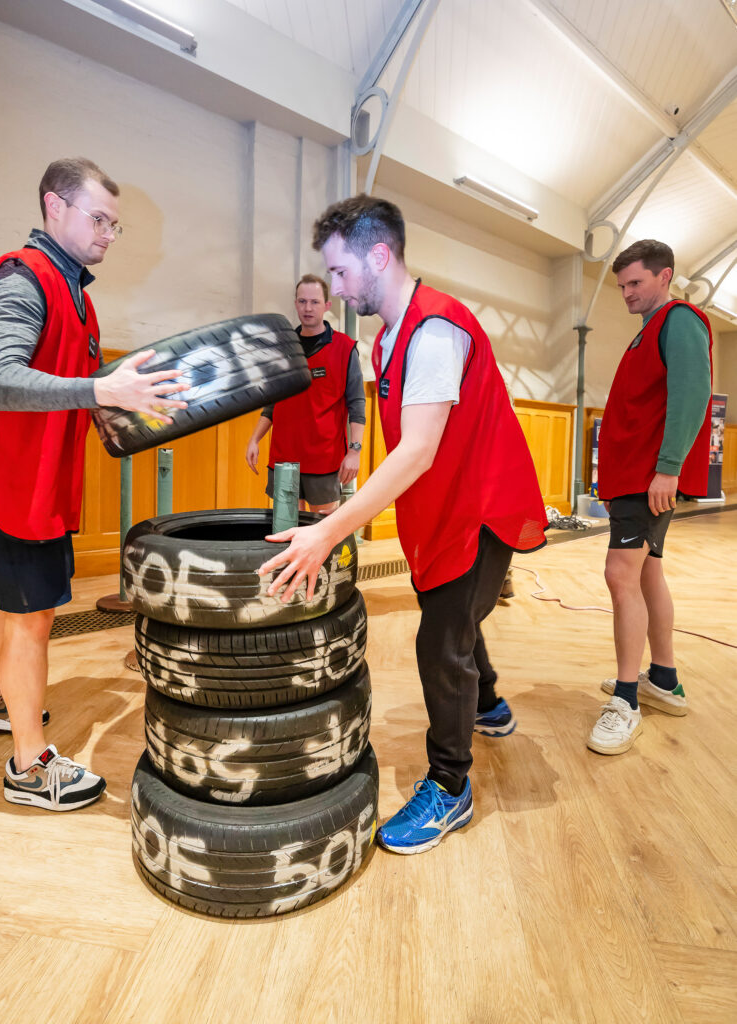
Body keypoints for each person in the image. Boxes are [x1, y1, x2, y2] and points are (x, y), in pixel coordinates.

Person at [258, 195, 547, 855]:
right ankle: (489, 704)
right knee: (453, 617)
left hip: (480, 509)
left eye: (339, 272)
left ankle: (450, 787)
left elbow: (416, 451)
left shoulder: (434, 330)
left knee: (439, 642)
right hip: (441, 507)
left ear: (378, 256)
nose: (334, 288)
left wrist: (328, 530)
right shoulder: (391, 334)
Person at [0, 157, 187, 811]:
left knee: (21, 603)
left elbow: (66, 382)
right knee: (32, 616)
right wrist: (101, 389)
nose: (107, 234)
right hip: (5, 480)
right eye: (98, 219)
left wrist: (112, 403)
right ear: (54, 207)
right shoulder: (22, 280)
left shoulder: (77, 294)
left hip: (35, 482)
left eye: (114, 225)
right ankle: (28, 767)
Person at [589, 239, 712, 755]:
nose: (627, 293)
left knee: (620, 575)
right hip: (634, 477)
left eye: (635, 282)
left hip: (649, 477)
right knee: (645, 574)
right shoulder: (648, 330)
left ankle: (626, 701)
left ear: (665, 276)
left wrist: (668, 469)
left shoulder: (679, 320)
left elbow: (693, 394)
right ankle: (663, 679)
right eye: (621, 286)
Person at [245, 274, 366, 514]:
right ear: (295, 304)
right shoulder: (282, 349)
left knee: (323, 529)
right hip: (283, 459)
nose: (308, 308)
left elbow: (357, 404)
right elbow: (272, 404)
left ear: (326, 305)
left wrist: (355, 451)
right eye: (302, 301)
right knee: (286, 526)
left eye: (314, 302)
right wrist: (254, 439)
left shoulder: (344, 348)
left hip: (324, 461)